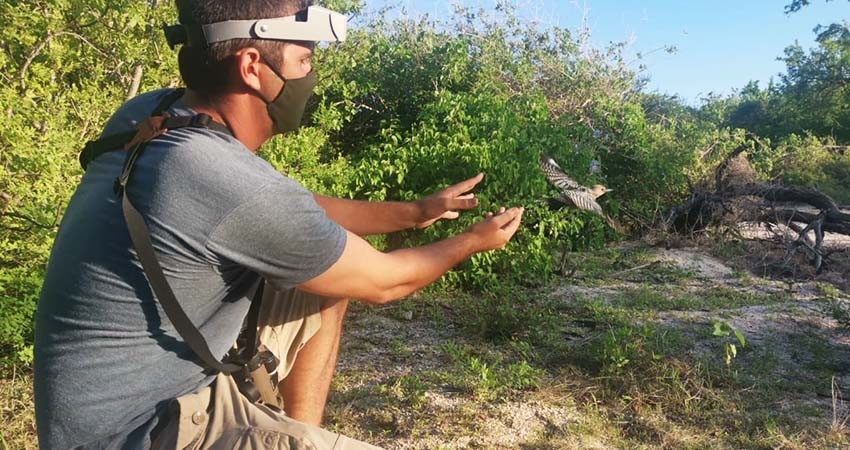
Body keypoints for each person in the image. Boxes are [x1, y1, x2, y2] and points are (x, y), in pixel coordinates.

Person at [33, 0, 524, 449]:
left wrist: (416, 211)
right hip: (141, 433)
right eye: (304, 59)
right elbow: (386, 281)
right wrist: (472, 241)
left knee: (322, 280)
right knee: (346, 268)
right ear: (252, 67)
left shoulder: (153, 113)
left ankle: (301, 434)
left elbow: (297, 213)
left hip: (104, 409)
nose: (311, 74)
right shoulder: (219, 176)